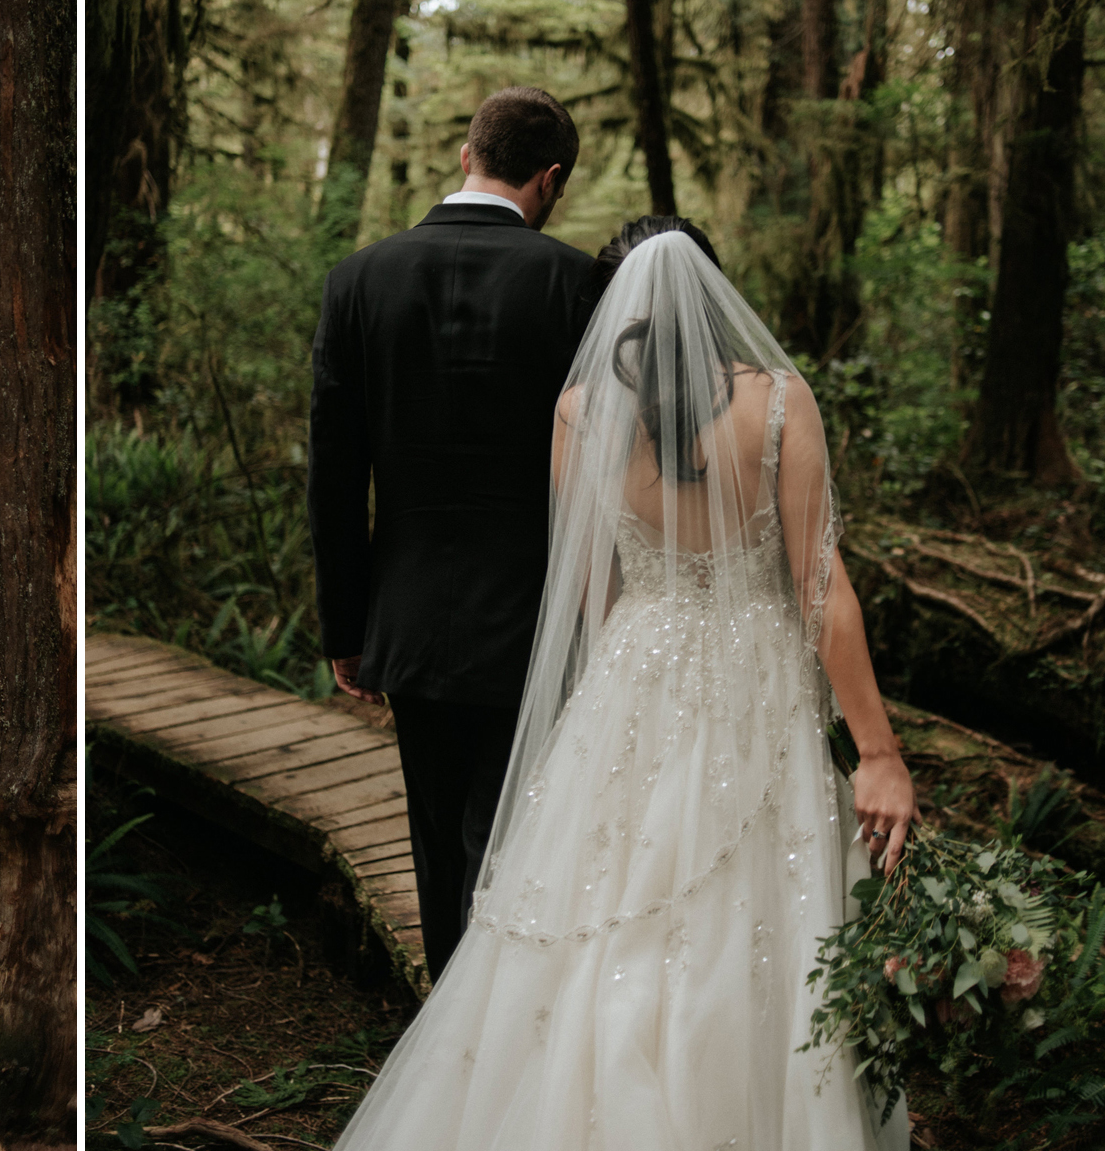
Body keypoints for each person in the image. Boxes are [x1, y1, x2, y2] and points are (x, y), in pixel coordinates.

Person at [331, 218, 919, 1150]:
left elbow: (593, 583)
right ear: (717, 300)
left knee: (609, 909)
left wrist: (619, 693)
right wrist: (877, 752)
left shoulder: (578, 414)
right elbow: (819, 589)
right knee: (752, 908)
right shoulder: (779, 402)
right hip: (753, 679)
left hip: (633, 674)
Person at [309, 85, 591, 982]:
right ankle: (501, 1034)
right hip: (538, 616)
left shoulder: (359, 278)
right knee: (511, 832)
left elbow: (334, 477)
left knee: (437, 840)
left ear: (468, 154)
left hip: (411, 614)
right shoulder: (575, 282)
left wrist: (346, 628)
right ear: (549, 178)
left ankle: (448, 1040)